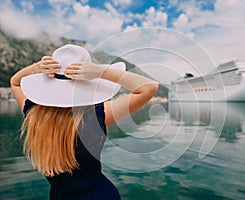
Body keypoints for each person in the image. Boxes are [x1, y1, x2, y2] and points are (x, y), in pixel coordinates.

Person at [10, 44, 159, 199]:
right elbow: (149, 87)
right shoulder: (95, 116)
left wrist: (36, 68)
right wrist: (101, 72)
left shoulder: (34, 114)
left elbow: (15, 82)